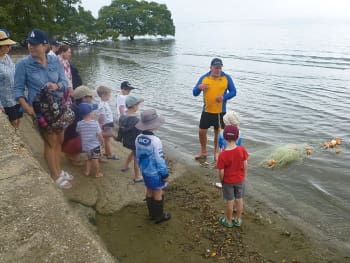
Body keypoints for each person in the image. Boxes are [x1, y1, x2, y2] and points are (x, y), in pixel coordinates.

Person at [14, 28, 73, 189]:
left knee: (59, 140)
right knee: (50, 142)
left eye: (35, 44)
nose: (31, 47)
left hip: (58, 108)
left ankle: (59, 170)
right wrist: (27, 107)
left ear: (45, 45)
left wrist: (57, 85)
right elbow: (18, 90)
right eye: (29, 43)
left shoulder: (54, 61)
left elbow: (64, 82)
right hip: (39, 111)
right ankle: (54, 175)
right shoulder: (23, 64)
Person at [192, 58, 236, 160]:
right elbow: (194, 93)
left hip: (220, 112)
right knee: (201, 131)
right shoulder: (204, 78)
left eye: (220, 68)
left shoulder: (226, 78)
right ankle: (203, 152)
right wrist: (199, 88)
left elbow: (233, 92)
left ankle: (217, 153)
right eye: (216, 68)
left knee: (219, 133)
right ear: (211, 67)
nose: (218, 70)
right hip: (207, 111)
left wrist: (224, 97)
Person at [135, 109, 171, 224]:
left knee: (149, 190)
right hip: (155, 173)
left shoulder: (138, 138)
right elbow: (160, 160)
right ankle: (159, 216)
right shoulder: (155, 141)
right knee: (158, 192)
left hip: (145, 171)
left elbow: (138, 155)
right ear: (154, 126)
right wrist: (164, 174)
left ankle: (151, 214)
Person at [216, 125, 248, 228]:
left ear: (224, 137)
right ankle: (238, 220)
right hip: (240, 180)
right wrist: (244, 176)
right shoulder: (242, 149)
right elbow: (245, 164)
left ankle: (228, 221)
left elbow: (221, 171)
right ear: (237, 137)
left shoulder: (222, 155)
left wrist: (222, 181)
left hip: (228, 181)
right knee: (239, 199)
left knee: (230, 201)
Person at [62, 85, 95, 165]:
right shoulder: (80, 111)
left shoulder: (74, 106)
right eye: (90, 96)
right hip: (71, 140)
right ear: (84, 98)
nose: (92, 98)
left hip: (67, 139)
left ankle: (70, 152)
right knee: (94, 136)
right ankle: (71, 154)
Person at [117, 95, 144, 183]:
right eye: (138, 105)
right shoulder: (136, 120)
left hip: (126, 141)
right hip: (134, 143)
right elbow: (140, 134)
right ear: (134, 106)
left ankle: (125, 166)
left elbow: (120, 130)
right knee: (137, 159)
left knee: (133, 152)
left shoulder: (122, 117)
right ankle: (137, 176)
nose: (138, 107)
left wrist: (119, 138)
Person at [0, 29, 23, 129]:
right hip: (5, 100)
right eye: (7, 45)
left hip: (15, 97)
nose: (10, 47)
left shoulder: (7, 57)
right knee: (13, 122)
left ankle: (17, 141)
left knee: (18, 121)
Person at [76, 102, 104, 177]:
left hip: (86, 146)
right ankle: (97, 173)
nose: (93, 113)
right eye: (92, 111)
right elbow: (99, 135)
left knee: (89, 159)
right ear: (89, 113)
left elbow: (78, 132)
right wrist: (102, 141)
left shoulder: (79, 123)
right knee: (95, 160)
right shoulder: (95, 123)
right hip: (95, 146)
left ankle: (87, 172)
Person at [96, 85, 118, 160]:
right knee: (108, 140)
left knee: (106, 140)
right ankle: (109, 155)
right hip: (106, 124)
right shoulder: (102, 105)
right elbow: (101, 116)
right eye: (109, 95)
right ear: (103, 95)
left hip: (107, 123)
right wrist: (101, 125)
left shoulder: (104, 103)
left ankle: (106, 151)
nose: (110, 96)